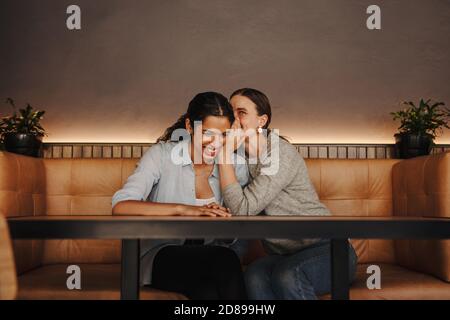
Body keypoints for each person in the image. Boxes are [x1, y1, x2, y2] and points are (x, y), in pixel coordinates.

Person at [213, 88, 358, 300]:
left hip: (329, 249)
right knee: (253, 275)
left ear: (262, 121)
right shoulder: (238, 159)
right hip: (285, 256)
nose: (233, 119)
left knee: (288, 275)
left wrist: (223, 155)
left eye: (241, 112)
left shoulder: (280, 153)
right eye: (230, 112)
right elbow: (233, 217)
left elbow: (242, 210)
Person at [112, 92, 248, 299]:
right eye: (208, 133)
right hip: (161, 257)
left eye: (224, 135)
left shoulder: (235, 166)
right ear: (189, 126)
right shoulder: (162, 155)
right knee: (225, 260)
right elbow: (121, 207)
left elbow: (232, 236)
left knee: (208, 292)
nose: (216, 143)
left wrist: (224, 218)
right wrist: (185, 210)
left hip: (210, 258)